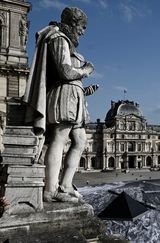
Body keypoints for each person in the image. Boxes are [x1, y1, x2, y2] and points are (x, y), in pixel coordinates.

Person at [23, 7, 97, 202]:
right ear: (73, 23)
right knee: (59, 138)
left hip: (74, 95)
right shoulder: (58, 38)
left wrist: (85, 89)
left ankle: (65, 185)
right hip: (65, 93)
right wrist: (85, 70)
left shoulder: (65, 41)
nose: (83, 31)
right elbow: (65, 71)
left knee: (80, 141)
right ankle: (51, 189)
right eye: (82, 26)